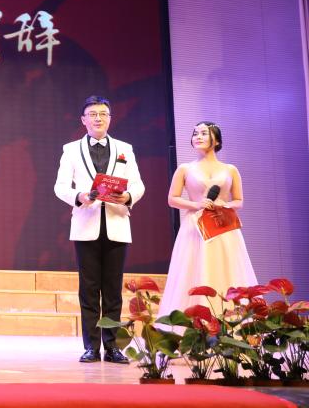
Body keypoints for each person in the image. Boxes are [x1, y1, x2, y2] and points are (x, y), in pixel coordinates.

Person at [54, 95, 145, 364]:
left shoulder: (124, 148)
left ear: (110, 118)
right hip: (86, 224)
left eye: (103, 114)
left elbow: (138, 184)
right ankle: (91, 347)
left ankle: (113, 346)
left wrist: (128, 196)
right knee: (89, 289)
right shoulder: (71, 149)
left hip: (117, 222)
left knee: (113, 290)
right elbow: (60, 186)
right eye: (92, 114)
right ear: (83, 120)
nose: (98, 118)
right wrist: (79, 196)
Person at [157, 122, 256, 317]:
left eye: (204, 133)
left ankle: (231, 319)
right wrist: (196, 205)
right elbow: (172, 199)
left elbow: (239, 201)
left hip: (223, 226)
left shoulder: (230, 169)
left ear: (216, 140)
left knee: (226, 268)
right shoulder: (185, 169)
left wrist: (225, 205)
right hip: (195, 227)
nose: (198, 137)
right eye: (195, 133)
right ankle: (195, 321)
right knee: (194, 269)